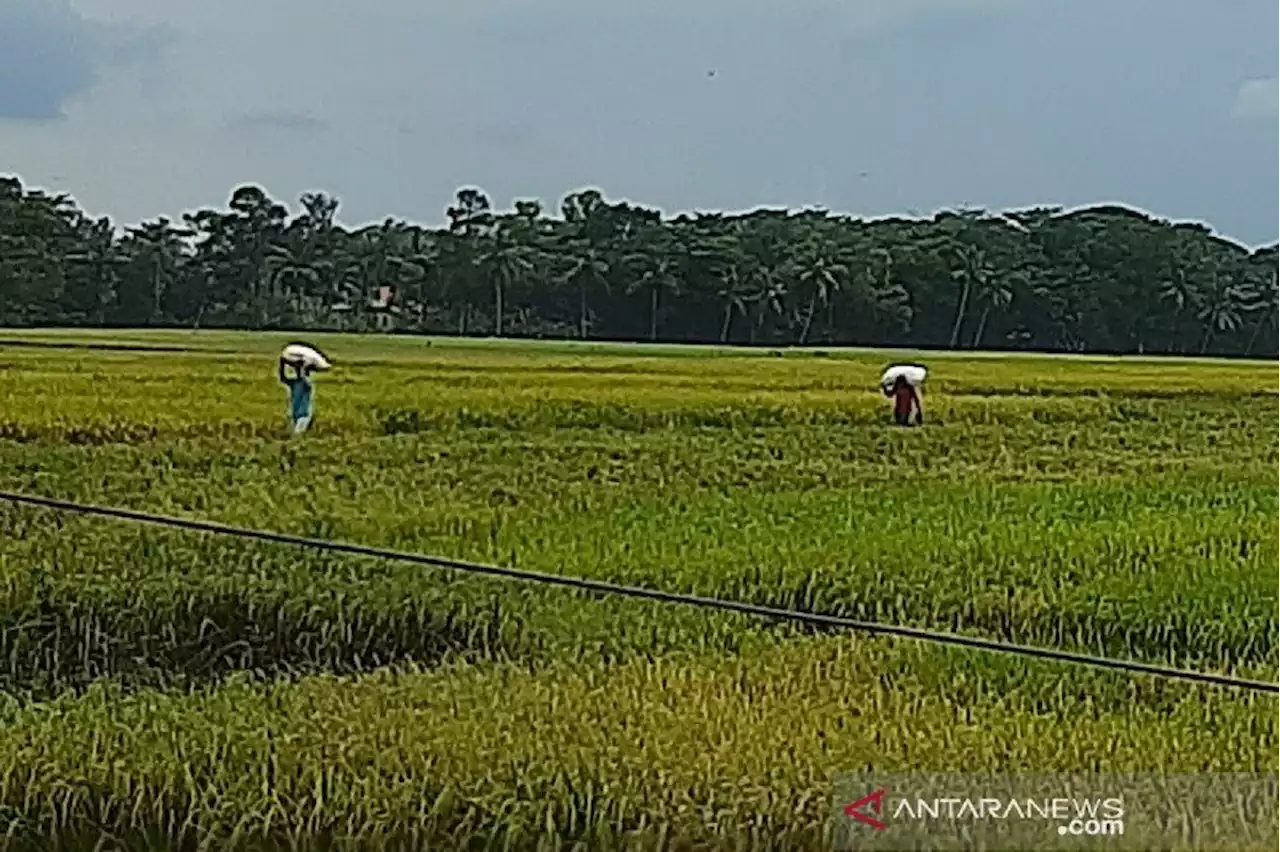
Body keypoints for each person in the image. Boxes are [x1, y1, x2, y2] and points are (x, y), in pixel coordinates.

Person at [279, 357, 315, 434]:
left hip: (303, 416)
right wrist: (282, 365)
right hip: (295, 416)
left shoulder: (307, 383)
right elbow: (283, 378)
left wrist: (296, 365)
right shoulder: (294, 383)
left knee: (297, 437)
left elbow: (302, 376)